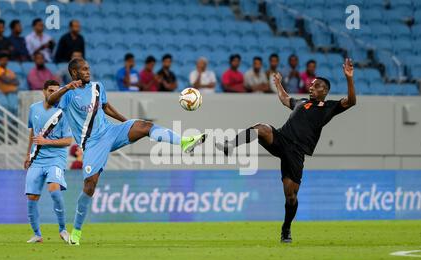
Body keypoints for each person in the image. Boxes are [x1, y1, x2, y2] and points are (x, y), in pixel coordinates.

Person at [47, 58, 207, 245]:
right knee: (90, 185)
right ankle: (77, 231)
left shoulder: (97, 87)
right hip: (92, 143)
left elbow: (105, 107)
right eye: (83, 69)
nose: (88, 72)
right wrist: (66, 87)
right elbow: (50, 101)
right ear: (74, 73)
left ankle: (184, 142)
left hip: (111, 131)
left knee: (144, 126)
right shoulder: (67, 94)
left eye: (88, 68)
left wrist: (126, 122)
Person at [216, 59, 356, 243]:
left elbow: (351, 101)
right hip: (281, 139)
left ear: (325, 91)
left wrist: (349, 79)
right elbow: (284, 99)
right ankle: (230, 145)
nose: (311, 87)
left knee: (291, 197)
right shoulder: (301, 102)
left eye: (316, 86)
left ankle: (286, 228)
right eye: (312, 85)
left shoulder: (328, 107)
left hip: (296, 153)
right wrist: (278, 84)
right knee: (262, 128)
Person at [24, 79, 73, 243]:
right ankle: (37, 235)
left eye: (57, 91)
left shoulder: (63, 112)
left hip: (56, 158)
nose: (55, 94)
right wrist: (27, 155)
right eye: (51, 91)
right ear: (44, 91)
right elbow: (33, 133)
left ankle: (63, 230)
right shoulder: (34, 109)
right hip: (37, 159)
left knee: (54, 189)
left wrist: (47, 142)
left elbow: (68, 141)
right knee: (31, 197)